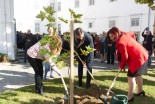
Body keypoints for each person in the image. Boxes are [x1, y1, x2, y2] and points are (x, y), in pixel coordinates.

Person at [108, 27, 148, 102]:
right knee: (138, 75)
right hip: (142, 54)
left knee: (130, 77)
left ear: (116, 33)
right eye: (110, 36)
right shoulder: (125, 34)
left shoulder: (120, 43)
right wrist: (134, 44)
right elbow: (132, 33)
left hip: (137, 58)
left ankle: (130, 96)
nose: (111, 38)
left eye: (112, 36)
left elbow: (125, 57)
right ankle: (140, 91)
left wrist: (121, 66)